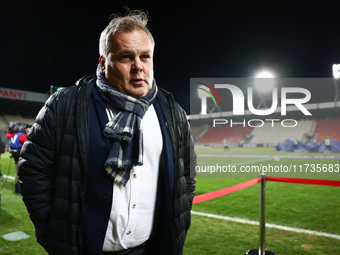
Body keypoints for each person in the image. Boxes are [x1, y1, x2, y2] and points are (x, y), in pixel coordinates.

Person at [18, 9, 196, 255]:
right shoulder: (65, 105)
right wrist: (53, 232)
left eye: (145, 56)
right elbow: (32, 170)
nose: (138, 67)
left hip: (151, 249)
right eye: (126, 57)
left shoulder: (173, 112)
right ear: (103, 63)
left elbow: (186, 177)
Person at [7, 122, 29, 195]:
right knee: (20, 173)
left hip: (15, 156)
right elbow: (28, 142)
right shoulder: (21, 135)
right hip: (21, 156)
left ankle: (18, 188)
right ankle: (18, 189)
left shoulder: (14, 135)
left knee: (18, 172)